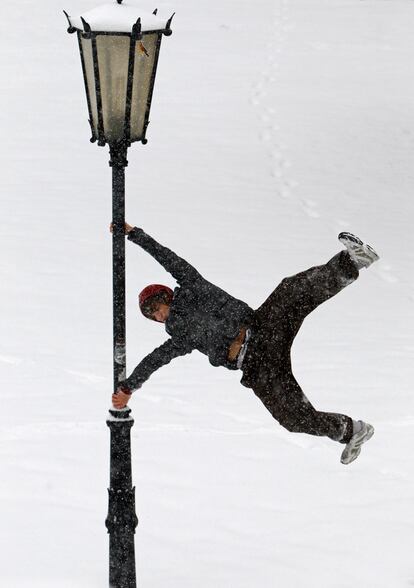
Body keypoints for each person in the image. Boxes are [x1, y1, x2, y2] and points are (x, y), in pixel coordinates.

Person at [111, 224, 379, 465]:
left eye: (157, 308)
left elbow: (166, 257)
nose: (158, 316)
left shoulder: (192, 285)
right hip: (256, 366)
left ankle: (353, 261)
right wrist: (128, 387)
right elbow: (155, 359)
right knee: (290, 417)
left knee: (291, 291)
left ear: (166, 296)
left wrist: (134, 235)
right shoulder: (180, 337)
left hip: (263, 329)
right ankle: (350, 431)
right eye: (153, 316)